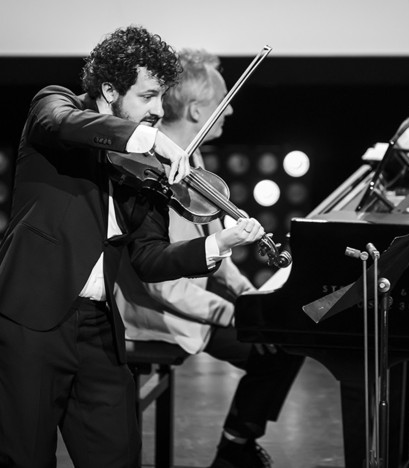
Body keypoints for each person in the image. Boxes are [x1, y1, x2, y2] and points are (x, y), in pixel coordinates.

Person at [0, 27, 265, 468]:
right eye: (148, 97)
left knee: (118, 456)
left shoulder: (144, 168)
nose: (158, 110)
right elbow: (64, 123)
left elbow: (149, 258)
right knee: (24, 458)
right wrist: (147, 139)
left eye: (162, 98)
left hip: (98, 328)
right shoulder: (55, 105)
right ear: (109, 89)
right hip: (28, 319)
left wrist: (218, 243)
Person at [114, 49, 304, 468]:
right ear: (198, 110)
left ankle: (235, 445)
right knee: (275, 351)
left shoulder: (191, 157)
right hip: (157, 312)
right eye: (224, 102)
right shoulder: (151, 170)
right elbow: (159, 281)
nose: (231, 108)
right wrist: (233, 314)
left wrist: (249, 295)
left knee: (285, 339)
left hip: (192, 296)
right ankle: (235, 451)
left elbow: (214, 237)